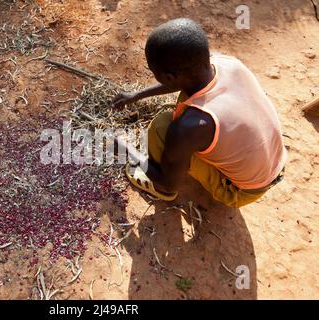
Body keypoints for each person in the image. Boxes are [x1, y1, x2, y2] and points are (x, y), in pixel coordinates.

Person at [112, 18, 287, 208]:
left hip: (240, 191)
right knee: (185, 104)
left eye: (155, 72)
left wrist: (127, 151)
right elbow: (180, 81)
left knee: (161, 127)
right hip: (274, 164)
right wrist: (136, 95)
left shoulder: (190, 126)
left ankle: (162, 192)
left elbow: (168, 180)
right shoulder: (226, 64)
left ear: (168, 77)